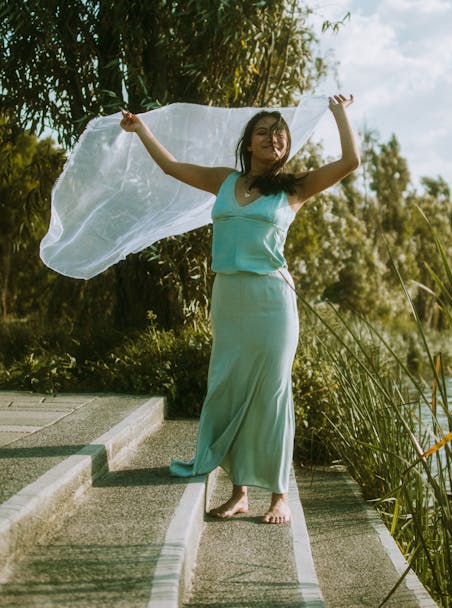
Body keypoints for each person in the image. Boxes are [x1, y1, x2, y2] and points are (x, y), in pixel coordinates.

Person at [120, 94, 360, 524]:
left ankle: (279, 495)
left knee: (271, 393)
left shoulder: (295, 187)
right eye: (264, 131)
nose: (274, 137)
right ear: (249, 143)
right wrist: (141, 130)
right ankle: (239, 493)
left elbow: (350, 161)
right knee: (228, 389)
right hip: (230, 299)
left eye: (280, 131)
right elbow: (172, 167)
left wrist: (339, 112)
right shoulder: (225, 181)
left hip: (272, 301)